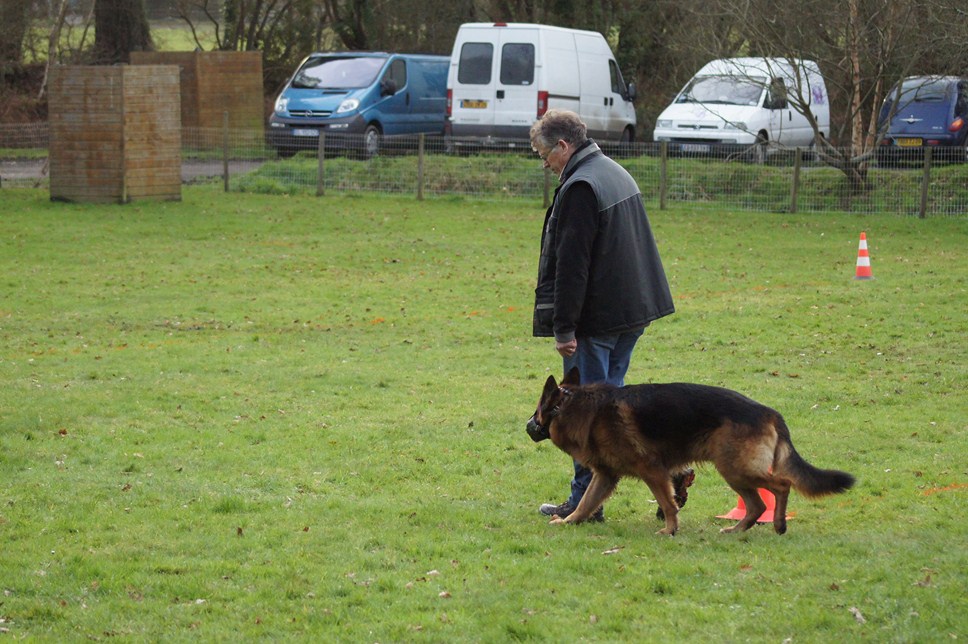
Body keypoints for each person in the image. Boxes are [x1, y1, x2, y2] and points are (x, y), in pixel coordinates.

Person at [529, 109, 690, 522]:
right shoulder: (615, 172)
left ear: (564, 146)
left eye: (545, 154)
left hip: (597, 319)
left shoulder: (582, 186)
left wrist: (564, 326)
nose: (544, 163)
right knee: (617, 413)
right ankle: (675, 470)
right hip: (631, 312)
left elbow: (573, 263)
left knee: (585, 415)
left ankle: (584, 503)